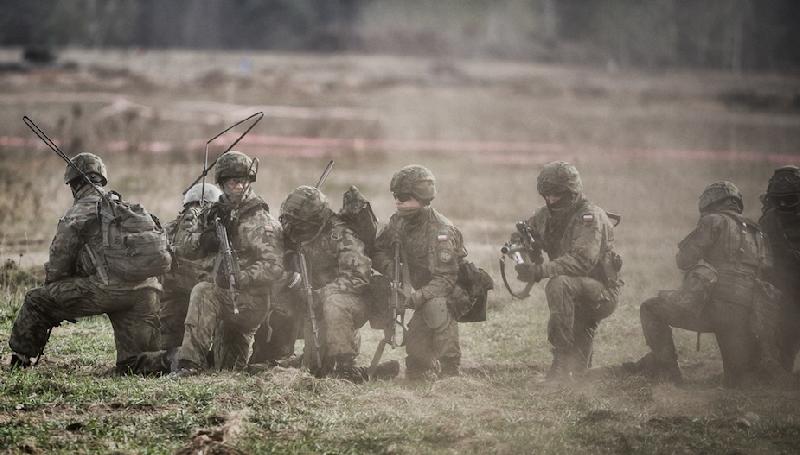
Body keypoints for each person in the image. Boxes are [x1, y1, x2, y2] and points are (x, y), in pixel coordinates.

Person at [8, 152, 167, 374]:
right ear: (102, 179)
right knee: (136, 365)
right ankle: (180, 358)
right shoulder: (124, 207)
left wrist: (55, 288)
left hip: (105, 290)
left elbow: (59, 260)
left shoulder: (79, 211)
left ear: (73, 184)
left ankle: (20, 361)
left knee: (35, 300)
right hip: (145, 291)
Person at [627, 181, 786, 387]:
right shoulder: (757, 231)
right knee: (737, 382)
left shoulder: (713, 221)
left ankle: (668, 373)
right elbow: (767, 268)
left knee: (650, 308)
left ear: (710, 201)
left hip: (713, 307)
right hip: (747, 314)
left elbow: (684, 260)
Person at [171, 151, 288, 374]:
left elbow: (274, 266)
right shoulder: (212, 214)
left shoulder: (260, 221)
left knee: (204, 292)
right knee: (227, 370)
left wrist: (243, 275)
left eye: (243, 181)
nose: (239, 187)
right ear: (222, 183)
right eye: (233, 181)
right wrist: (204, 241)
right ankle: (193, 363)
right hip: (224, 299)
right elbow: (184, 248)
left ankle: (188, 365)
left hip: (249, 301)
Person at [513, 161, 622, 381]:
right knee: (581, 375)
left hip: (601, 292)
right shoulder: (545, 215)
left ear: (572, 193)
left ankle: (561, 362)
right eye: (547, 195)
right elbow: (517, 240)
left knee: (558, 283)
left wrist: (539, 270)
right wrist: (521, 259)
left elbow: (581, 262)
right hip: (576, 293)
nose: (551, 200)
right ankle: (575, 368)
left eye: (557, 194)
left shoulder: (590, 217)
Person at [279, 185, 398, 381]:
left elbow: (358, 277)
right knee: (315, 368)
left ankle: (346, 366)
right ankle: (306, 358)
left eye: (300, 224)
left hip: (354, 300)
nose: (294, 229)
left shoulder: (342, 235)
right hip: (319, 301)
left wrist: (322, 293)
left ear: (314, 221)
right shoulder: (302, 235)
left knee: (334, 302)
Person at [373, 165, 467, 380]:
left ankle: (451, 369)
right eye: (396, 195)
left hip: (449, 293)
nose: (397, 201)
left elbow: (445, 279)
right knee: (416, 362)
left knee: (437, 308)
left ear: (421, 197)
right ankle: (424, 366)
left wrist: (417, 297)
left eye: (404, 196)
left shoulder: (440, 230)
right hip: (421, 292)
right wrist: (392, 269)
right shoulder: (399, 222)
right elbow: (378, 250)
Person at [159, 182, 222, 354]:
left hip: (171, 304)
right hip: (198, 299)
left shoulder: (169, 227)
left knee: (169, 352)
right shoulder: (214, 228)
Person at [759, 166, 800, 373]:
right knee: (786, 329)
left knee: (785, 329)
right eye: (780, 199)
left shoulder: (768, 218)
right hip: (783, 285)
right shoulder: (769, 219)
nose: (784, 203)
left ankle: (783, 369)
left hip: (782, 285)